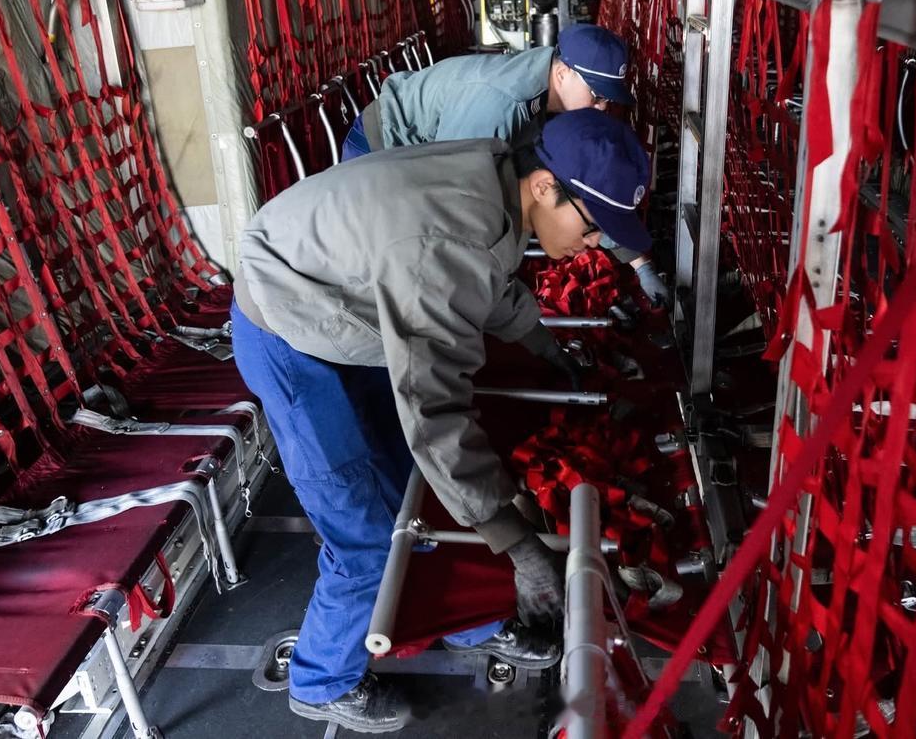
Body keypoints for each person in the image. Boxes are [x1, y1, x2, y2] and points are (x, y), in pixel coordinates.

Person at [230, 109, 653, 732]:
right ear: (545, 186)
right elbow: (435, 411)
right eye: (592, 229)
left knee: (423, 494)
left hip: (348, 310)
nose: (593, 246)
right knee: (365, 531)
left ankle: (465, 623)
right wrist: (518, 545)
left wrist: (544, 346)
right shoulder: (447, 238)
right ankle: (321, 681)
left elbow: (490, 280)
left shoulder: (497, 181)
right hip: (290, 336)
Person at [344, 24, 671, 307]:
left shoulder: (549, 96)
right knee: (370, 279)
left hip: (428, 156)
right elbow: (449, 201)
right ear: (562, 73)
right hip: (381, 146)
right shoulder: (500, 106)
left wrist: (639, 264)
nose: (601, 109)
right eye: (597, 96)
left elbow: (585, 195)